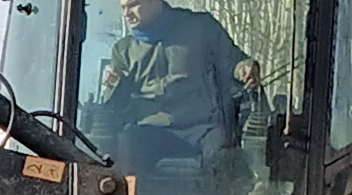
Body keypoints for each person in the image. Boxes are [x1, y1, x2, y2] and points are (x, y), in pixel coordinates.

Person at [99, 0, 262, 181]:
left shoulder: (201, 28)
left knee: (225, 155)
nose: (127, 13)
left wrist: (245, 69)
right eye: (123, 7)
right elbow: (115, 108)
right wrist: (114, 86)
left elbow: (233, 62)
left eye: (133, 5)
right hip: (151, 129)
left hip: (202, 127)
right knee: (128, 144)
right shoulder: (123, 51)